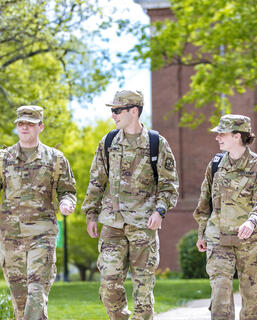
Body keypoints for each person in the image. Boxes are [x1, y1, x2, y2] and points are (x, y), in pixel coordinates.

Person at [82, 89, 179, 320]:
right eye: (112, 110)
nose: (113, 115)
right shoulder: (108, 142)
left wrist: (160, 211)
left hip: (143, 226)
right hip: (111, 224)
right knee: (108, 286)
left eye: (117, 110)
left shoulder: (157, 143)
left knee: (143, 291)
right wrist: (91, 214)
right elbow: (96, 181)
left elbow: (169, 185)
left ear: (134, 111)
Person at [0, 105, 77, 320]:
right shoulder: (1, 159)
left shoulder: (55, 159)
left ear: (41, 127)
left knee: (37, 293)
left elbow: (68, 191)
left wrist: (67, 203)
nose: (24, 127)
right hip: (12, 238)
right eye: (21, 123)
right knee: (21, 306)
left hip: (43, 235)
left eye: (30, 123)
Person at [193, 114, 257, 320]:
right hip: (219, 240)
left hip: (250, 242)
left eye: (222, 133)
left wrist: (252, 220)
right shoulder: (215, 165)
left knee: (251, 302)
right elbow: (205, 203)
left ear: (237, 136)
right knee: (220, 296)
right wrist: (202, 233)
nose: (217, 138)